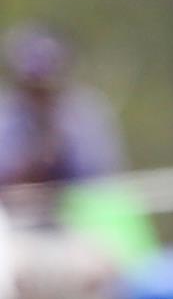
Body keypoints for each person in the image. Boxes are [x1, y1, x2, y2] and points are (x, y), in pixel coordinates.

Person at [0, 25, 124, 226]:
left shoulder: (86, 113)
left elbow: (101, 180)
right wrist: (32, 165)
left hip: (79, 224)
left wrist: (61, 151)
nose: (41, 94)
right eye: (32, 87)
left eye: (48, 86)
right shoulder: (6, 115)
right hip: (14, 226)